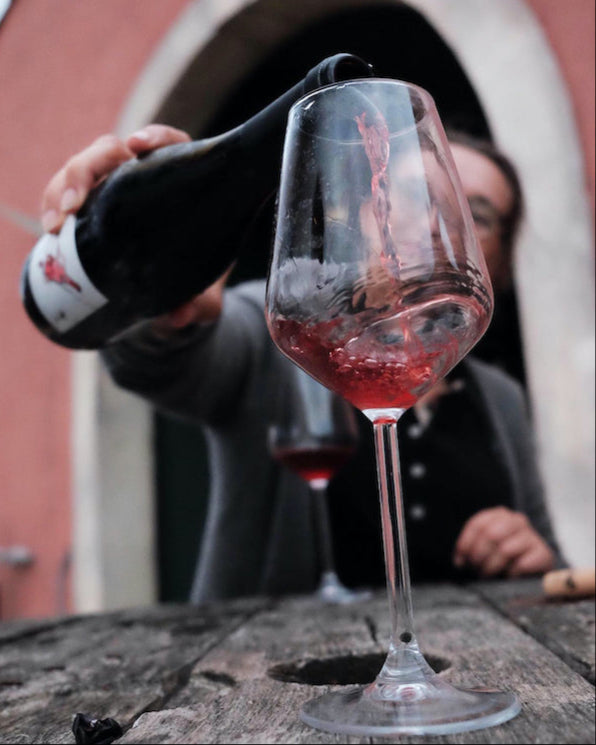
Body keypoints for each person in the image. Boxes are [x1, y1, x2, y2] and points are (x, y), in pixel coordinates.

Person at [39, 124, 562, 603]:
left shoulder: (501, 398)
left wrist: (531, 558)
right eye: (412, 193)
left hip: (478, 668)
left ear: (501, 262)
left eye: (479, 213)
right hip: (266, 682)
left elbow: (554, 570)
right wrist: (152, 298)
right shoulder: (283, 336)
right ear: (362, 213)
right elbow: (152, 363)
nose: (435, 222)